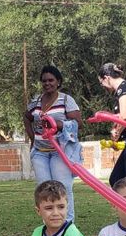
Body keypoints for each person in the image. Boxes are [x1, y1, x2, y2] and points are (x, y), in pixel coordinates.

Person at [23, 65, 83, 222]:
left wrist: (59, 124)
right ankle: (49, 226)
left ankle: (68, 226)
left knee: (62, 188)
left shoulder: (66, 100)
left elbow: (78, 123)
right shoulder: (36, 101)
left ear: (58, 82)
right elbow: (27, 117)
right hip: (40, 153)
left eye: (51, 80)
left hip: (60, 152)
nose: (47, 83)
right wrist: (33, 139)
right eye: (44, 81)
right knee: (44, 191)